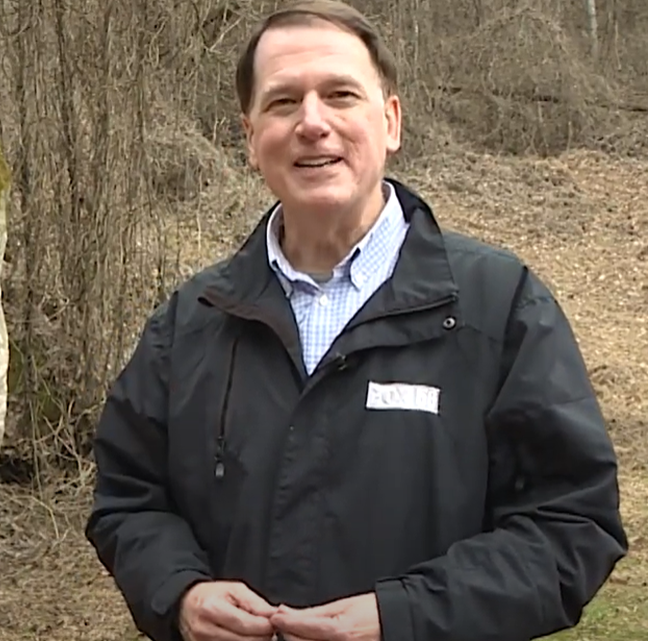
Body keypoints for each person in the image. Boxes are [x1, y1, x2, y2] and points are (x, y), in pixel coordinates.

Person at [83, 2, 629, 641]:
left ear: (391, 120)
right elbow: (128, 502)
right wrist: (179, 591)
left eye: (340, 94)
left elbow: (571, 528)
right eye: (283, 103)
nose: (312, 123)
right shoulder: (191, 323)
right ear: (249, 137)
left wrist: (404, 616)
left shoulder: (498, 307)